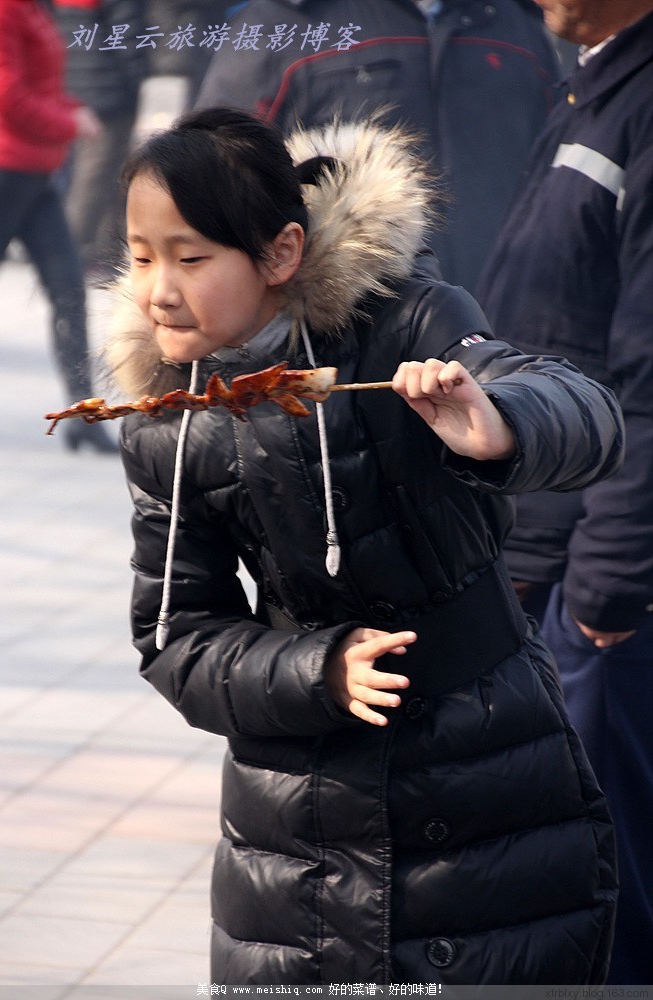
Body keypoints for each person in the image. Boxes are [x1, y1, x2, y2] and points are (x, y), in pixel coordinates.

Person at [107, 107, 624, 985]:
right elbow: (173, 635)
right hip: (298, 831)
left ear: (280, 254)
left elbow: (588, 415)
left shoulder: (404, 321)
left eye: (191, 259)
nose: (158, 287)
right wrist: (316, 669)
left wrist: (496, 423)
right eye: (143, 254)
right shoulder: (169, 418)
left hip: (486, 781)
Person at [477, 0, 653, 985]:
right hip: (558, 554)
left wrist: (605, 595)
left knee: (606, 899)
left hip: (611, 590)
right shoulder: (597, 76)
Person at [194, 0, 560, 295]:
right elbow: (208, 186)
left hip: (512, 325)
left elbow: (564, 179)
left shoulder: (524, 23)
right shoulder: (286, 23)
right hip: (351, 336)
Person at [0, 0, 116, 452]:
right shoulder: (1, 10)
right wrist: (67, 122)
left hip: (36, 175)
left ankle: (83, 414)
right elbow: (6, 94)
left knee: (69, 292)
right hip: (1, 171)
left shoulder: (33, 10)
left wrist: (72, 108)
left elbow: (43, 84)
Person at [52, 0, 149, 285]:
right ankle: (66, 260)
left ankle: (100, 256)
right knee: (95, 181)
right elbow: (128, 35)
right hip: (108, 89)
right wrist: (138, 80)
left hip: (75, 83)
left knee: (101, 177)